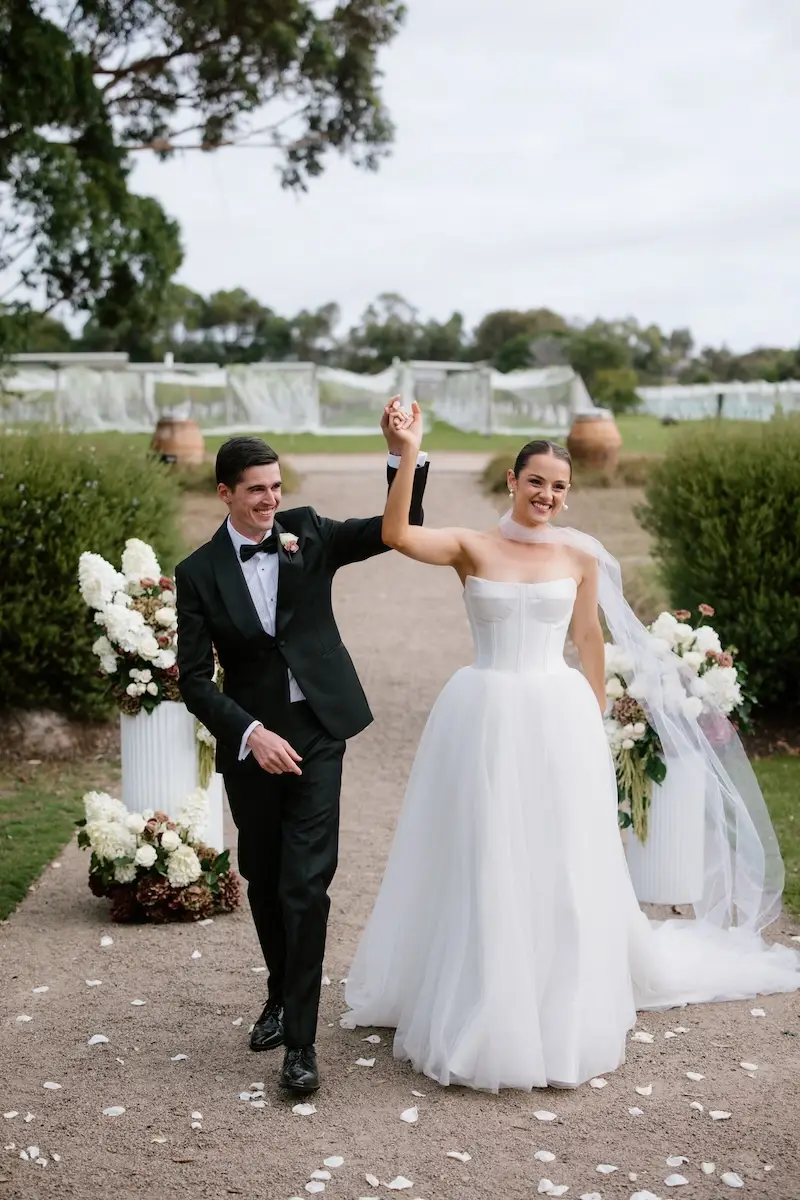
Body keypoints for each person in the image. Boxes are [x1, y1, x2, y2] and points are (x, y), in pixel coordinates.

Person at [344, 403, 800, 1093]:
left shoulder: (579, 556)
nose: (547, 496)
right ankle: (481, 991)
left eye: (558, 487)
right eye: (536, 482)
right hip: (485, 711)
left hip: (557, 715)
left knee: (555, 853)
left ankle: (557, 994)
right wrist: (406, 450)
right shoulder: (471, 546)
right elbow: (397, 532)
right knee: (485, 845)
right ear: (512, 481)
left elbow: (589, 641)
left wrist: (591, 723)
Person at [175, 403, 429, 1094]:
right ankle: (279, 993)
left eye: (276, 486)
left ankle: (301, 1046)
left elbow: (393, 531)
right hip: (252, 740)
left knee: (305, 885)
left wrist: (403, 454)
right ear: (224, 493)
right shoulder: (196, 574)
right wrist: (250, 735)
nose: (271, 500)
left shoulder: (307, 533)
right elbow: (195, 681)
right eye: (256, 489)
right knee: (262, 870)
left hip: (318, 730)